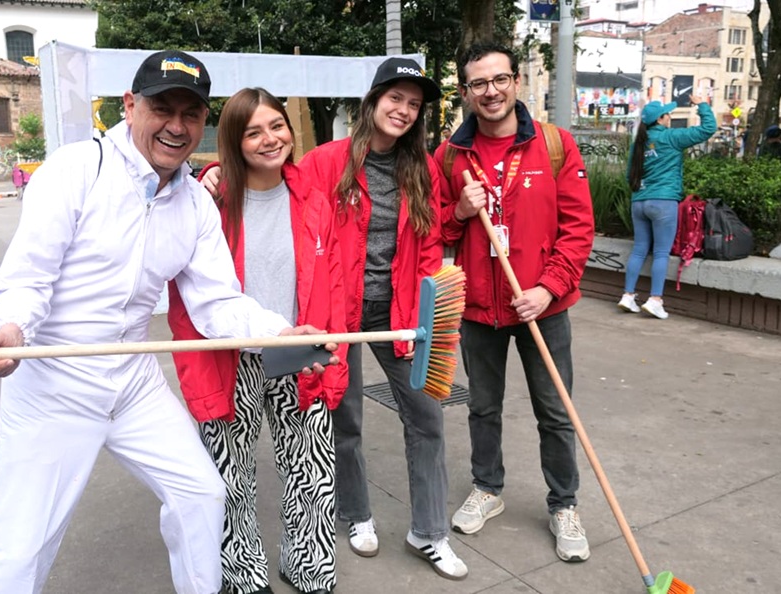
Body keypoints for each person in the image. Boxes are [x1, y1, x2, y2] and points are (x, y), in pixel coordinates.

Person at [0, 50, 336, 594]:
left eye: (191, 113)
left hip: (134, 380)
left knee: (201, 496)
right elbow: (28, 277)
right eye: (163, 108)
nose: (177, 126)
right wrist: (11, 329)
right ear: (129, 105)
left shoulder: (195, 205)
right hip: (53, 378)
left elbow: (217, 303)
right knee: (19, 547)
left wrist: (277, 331)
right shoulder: (75, 170)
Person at [206, 58, 464, 580]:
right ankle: (356, 515)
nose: (404, 110)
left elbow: (431, 242)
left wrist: (422, 316)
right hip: (334, 314)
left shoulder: (425, 169)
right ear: (372, 101)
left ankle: (430, 532)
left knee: (427, 416)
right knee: (341, 419)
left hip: (398, 314)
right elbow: (270, 185)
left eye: (414, 104)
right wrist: (208, 174)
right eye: (395, 98)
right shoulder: (327, 161)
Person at [168, 87, 347, 594]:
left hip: (300, 348)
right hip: (232, 355)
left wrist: (332, 351)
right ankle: (244, 575)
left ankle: (310, 569)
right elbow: (189, 295)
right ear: (233, 141)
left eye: (277, 126)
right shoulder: (210, 201)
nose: (270, 140)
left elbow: (332, 281)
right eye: (253, 132)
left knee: (312, 471)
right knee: (231, 473)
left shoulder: (312, 196)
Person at [434, 42, 594, 563]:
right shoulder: (450, 155)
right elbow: (433, 230)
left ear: (516, 82)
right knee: (482, 407)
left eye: (499, 79)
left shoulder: (554, 145)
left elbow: (578, 228)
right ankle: (488, 487)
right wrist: (459, 208)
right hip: (479, 308)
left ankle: (564, 503)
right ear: (465, 92)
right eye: (478, 83)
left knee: (556, 410)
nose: (491, 91)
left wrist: (549, 286)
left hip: (542, 309)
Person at [620, 96, 716, 318]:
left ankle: (628, 295)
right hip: (663, 202)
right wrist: (701, 105)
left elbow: (628, 176)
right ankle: (655, 300)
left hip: (639, 202)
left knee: (639, 249)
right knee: (661, 253)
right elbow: (708, 129)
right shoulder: (672, 137)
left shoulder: (639, 144)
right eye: (667, 114)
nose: (670, 117)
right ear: (661, 119)